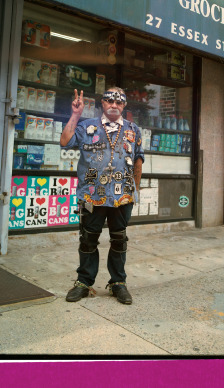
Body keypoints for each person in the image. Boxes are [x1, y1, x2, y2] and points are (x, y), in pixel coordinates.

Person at [60, 87, 144, 304]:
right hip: (91, 194)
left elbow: (138, 161)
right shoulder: (86, 126)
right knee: (88, 239)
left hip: (122, 196)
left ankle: (118, 283)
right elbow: (65, 141)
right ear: (102, 103)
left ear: (124, 105)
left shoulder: (134, 130)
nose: (114, 105)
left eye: (119, 102)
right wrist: (76, 115)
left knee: (119, 240)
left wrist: (134, 190)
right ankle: (84, 283)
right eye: (109, 101)